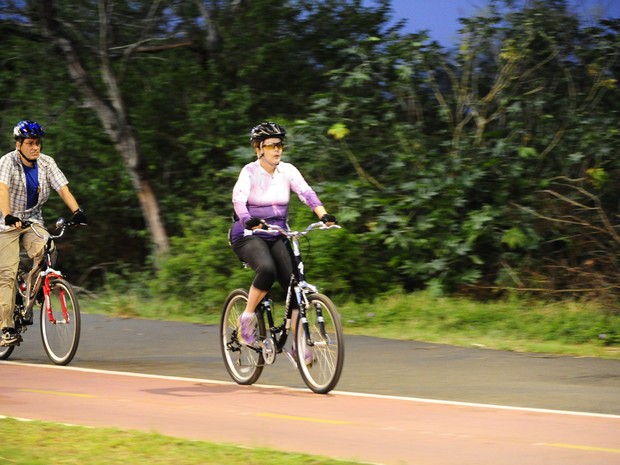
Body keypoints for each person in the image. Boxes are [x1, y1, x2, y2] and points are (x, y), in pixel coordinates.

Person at [230, 122, 336, 355]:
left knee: (295, 281)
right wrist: (247, 218)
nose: (277, 150)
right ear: (259, 148)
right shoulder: (249, 172)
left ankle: (299, 344)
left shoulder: (288, 170)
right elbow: (238, 200)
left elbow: (307, 193)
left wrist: (324, 215)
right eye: (272, 145)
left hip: (278, 233)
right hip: (249, 234)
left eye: (280, 145)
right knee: (266, 269)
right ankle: (247, 318)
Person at [0, 120, 87, 346]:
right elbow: (2, 188)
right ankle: (6, 328)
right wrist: (8, 215)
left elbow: (62, 188)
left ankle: (35, 286)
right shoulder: (7, 162)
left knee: (47, 247)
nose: (35, 148)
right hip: (5, 223)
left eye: (38, 143)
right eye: (30, 143)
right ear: (19, 145)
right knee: (7, 274)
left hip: (32, 221)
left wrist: (77, 211)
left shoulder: (47, 163)